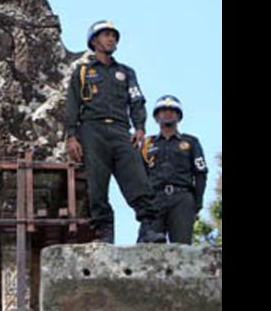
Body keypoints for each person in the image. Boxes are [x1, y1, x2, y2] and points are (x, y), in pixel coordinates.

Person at [64, 20, 165, 244]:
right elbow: (72, 104)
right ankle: (104, 232)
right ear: (94, 41)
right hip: (92, 130)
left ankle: (149, 227)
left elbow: (137, 101)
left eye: (113, 35)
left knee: (137, 179)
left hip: (121, 130)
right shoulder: (82, 72)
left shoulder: (126, 72)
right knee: (97, 184)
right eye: (105, 35)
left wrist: (139, 128)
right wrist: (71, 136)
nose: (111, 39)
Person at [140, 95, 208, 244]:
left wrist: (197, 203)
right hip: (154, 199)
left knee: (182, 247)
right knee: (148, 247)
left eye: (172, 111)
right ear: (157, 116)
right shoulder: (147, 144)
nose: (167, 114)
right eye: (163, 110)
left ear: (178, 116)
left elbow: (201, 173)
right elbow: (139, 176)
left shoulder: (190, 142)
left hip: (182, 198)